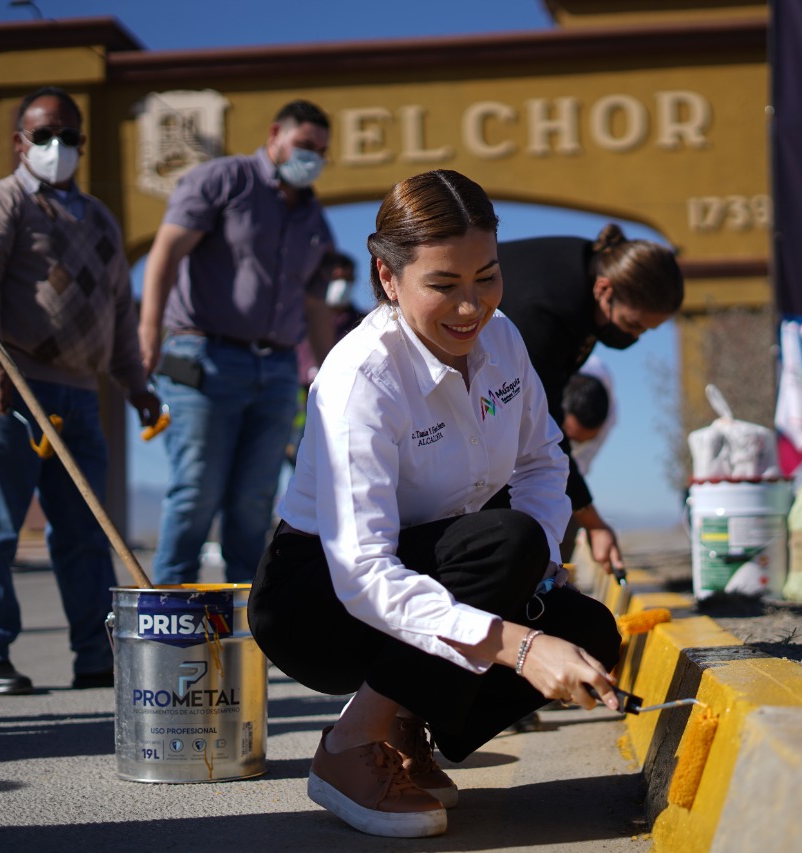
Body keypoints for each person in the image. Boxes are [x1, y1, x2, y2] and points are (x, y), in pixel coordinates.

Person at [248, 169, 623, 839]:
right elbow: (362, 572)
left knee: (592, 630)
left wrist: (535, 569)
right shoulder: (360, 376)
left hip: (446, 564)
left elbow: (542, 458)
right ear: (389, 279)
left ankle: (408, 726)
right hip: (319, 601)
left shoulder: (503, 341)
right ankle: (348, 747)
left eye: (487, 277)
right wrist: (519, 642)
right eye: (444, 286)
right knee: (502, 547)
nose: (471, 308)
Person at [0, 86, 161, 695]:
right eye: (43, 135)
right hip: (14, 388)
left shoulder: (99, 218)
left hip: (80, 395)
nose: (56, 146)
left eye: (67, 136)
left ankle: (94, 655)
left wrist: (135, 383)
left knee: (84, 532)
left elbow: (120, 309)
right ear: (20, 142)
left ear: (82, 142)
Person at [138, 99, 337, 585]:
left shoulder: (315, 220)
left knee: (255, 501)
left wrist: (330, 376)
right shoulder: (223, 181)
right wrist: (147, 333)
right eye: (304, 145)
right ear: (275, 136)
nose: (311, 157)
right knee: (196, 492)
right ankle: (170, 623)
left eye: (321, 151)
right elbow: (165, 250)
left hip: (276, 372)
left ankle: (248, 632)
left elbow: (315, 308)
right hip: (203, 359)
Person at [496, 227, 684, 575]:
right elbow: (543, 426)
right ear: (604, 289)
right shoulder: (547, 310)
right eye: (632, 324)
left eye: (645, 331)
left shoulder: (590, 269)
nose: (634, 337)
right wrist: (594, 522)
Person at [286, 250, 366, 466]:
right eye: (335, 278)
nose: (341, 284)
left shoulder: (365, 324)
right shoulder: (296, 320)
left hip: (343, 406)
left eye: (346, 279)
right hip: (297, 404)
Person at [560, 356, 616, 561]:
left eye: (586, 441)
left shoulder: (610, 417)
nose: (578, 444)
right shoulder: (542, 376)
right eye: (573, 438)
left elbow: (571, 475)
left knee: (568, 508)